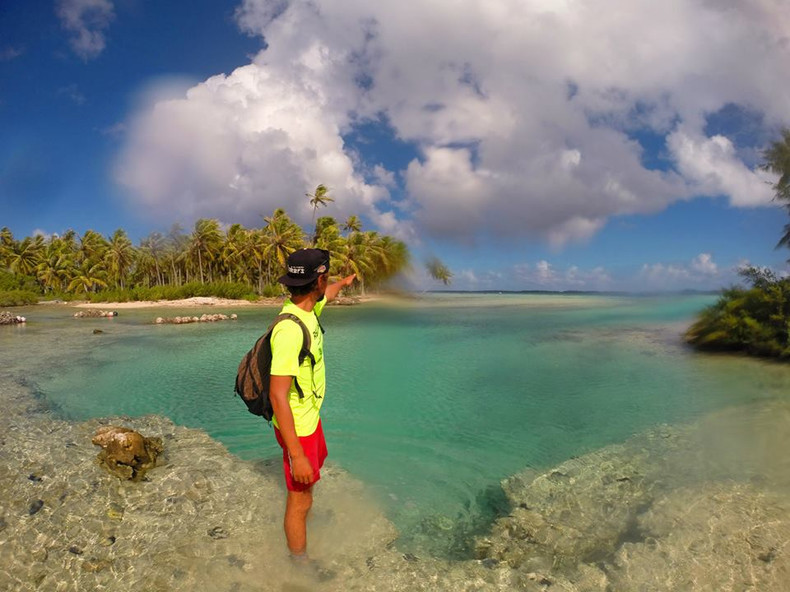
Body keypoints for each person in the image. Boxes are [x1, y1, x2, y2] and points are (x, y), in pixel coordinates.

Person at [269, 248, 355, 559]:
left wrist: (343, 283)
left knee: (305, 495)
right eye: (327, 278)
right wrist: (297, 455)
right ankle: (299, 568)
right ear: (318, 280)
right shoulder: (290, 330)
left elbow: (326, 295)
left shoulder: (307, 308)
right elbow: (277, 394)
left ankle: (302, 541)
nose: (327, 284)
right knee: (298, 499)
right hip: (298, 427)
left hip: (307, 420)